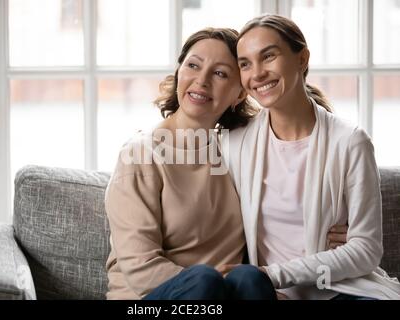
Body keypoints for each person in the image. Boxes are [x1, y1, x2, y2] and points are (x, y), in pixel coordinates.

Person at [105, 27, 347, 300]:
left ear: (240, 93)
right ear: (179, 73)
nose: (202, 80)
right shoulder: (139, 155)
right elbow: (141, 269)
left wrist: (337, 228)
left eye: (220, 73)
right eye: (193, 65)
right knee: (203, 280)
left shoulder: (239, 151)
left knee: (248, 279)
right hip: (152, 298)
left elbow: (289, 207)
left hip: (230, 292)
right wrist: (223, 290)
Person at [223, 14, 400, 299]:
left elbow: (366, 251)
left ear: (302, 59)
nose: (256, 73)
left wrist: (274, 275)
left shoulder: (351, 142)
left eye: (268, 56)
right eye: (245, 64)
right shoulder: (234, 144)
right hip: (264, 292)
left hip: (342, 289)